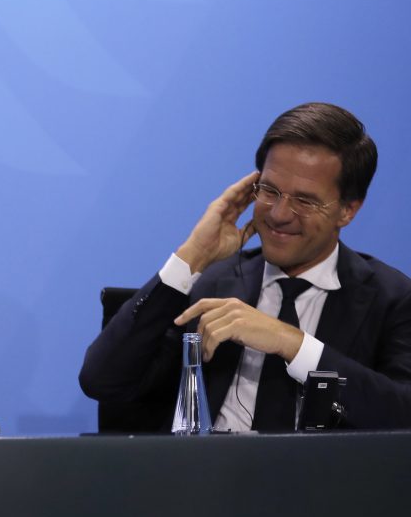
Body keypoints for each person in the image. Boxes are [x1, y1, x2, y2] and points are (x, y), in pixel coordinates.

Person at [81, 102, 411, 432]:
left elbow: (402, 413)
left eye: (305, 200)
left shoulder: (391, 300)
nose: (279, 214)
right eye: (269, 191)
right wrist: (192, 256)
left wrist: (293, 344)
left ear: (347, 210)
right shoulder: (212, 283)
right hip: (208, 478)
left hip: (323, 482)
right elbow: (103, 381)